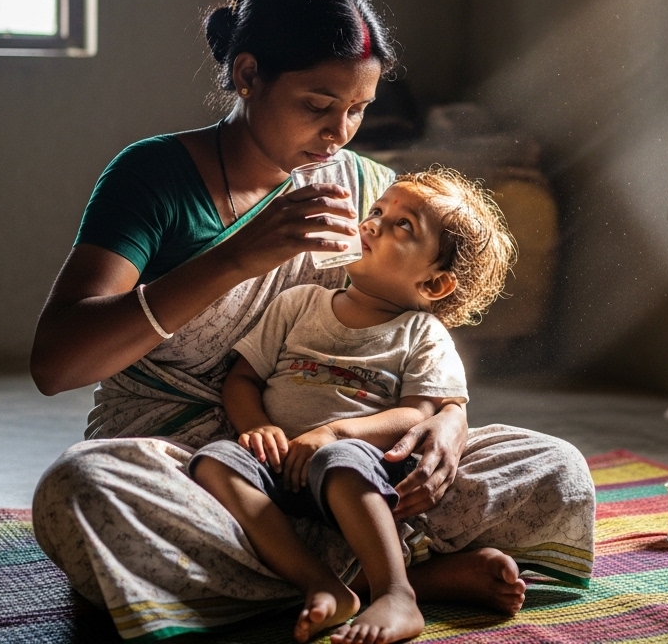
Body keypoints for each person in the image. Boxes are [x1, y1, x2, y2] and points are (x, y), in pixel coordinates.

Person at [29, 0, 595, 642]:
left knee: (555, 467)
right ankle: (393, 575)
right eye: (317, 105)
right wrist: (237, 257)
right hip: (189, 463)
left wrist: (450, 423)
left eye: (357, 109)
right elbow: (56, 365)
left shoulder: (365, 189)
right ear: (248, 75)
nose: (338, 134)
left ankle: (310, 580)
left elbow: (416, 342)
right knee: (82, 487)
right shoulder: (153, 176)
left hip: (336, 462)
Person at [192, 168, 516, 644]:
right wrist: (256, 426)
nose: (372, 224)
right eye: (377, 211)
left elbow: (419, 414)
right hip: (279, 463)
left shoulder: (421, 333)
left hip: (357, 468)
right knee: (214, 461)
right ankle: (320, 584)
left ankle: (396, 593)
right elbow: (242, 378)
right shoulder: (299, 303)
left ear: (434, 284)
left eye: (402, 225)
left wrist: (336, 433)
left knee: (339, 460)